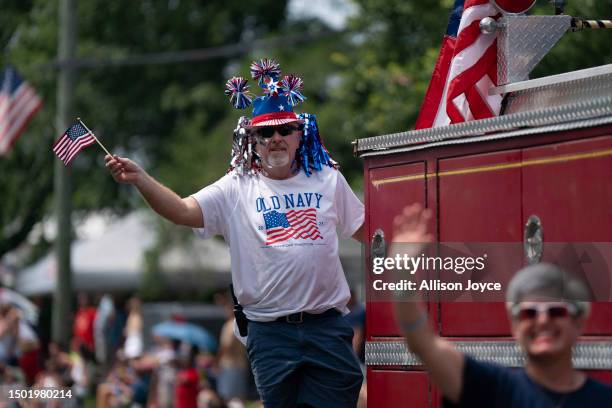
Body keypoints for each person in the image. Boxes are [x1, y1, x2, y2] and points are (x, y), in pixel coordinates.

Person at [106, 58, 364, 407]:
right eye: (265, 132)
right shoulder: (236, 187)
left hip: (327, 327)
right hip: (271, 332)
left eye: (284, 130)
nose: (275, 138)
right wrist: (141, 180)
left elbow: (368, 233)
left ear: (299, 134)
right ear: (251, 140)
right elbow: (182, 211)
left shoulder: (328, 179)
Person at [392, 204, 612, 408]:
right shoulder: (491, 388)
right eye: (529, 313)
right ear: (515, 326)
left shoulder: (604, 400)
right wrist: (402, 274)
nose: (542, 320)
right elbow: (423, 344)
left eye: (556, 311)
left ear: (579, 322)